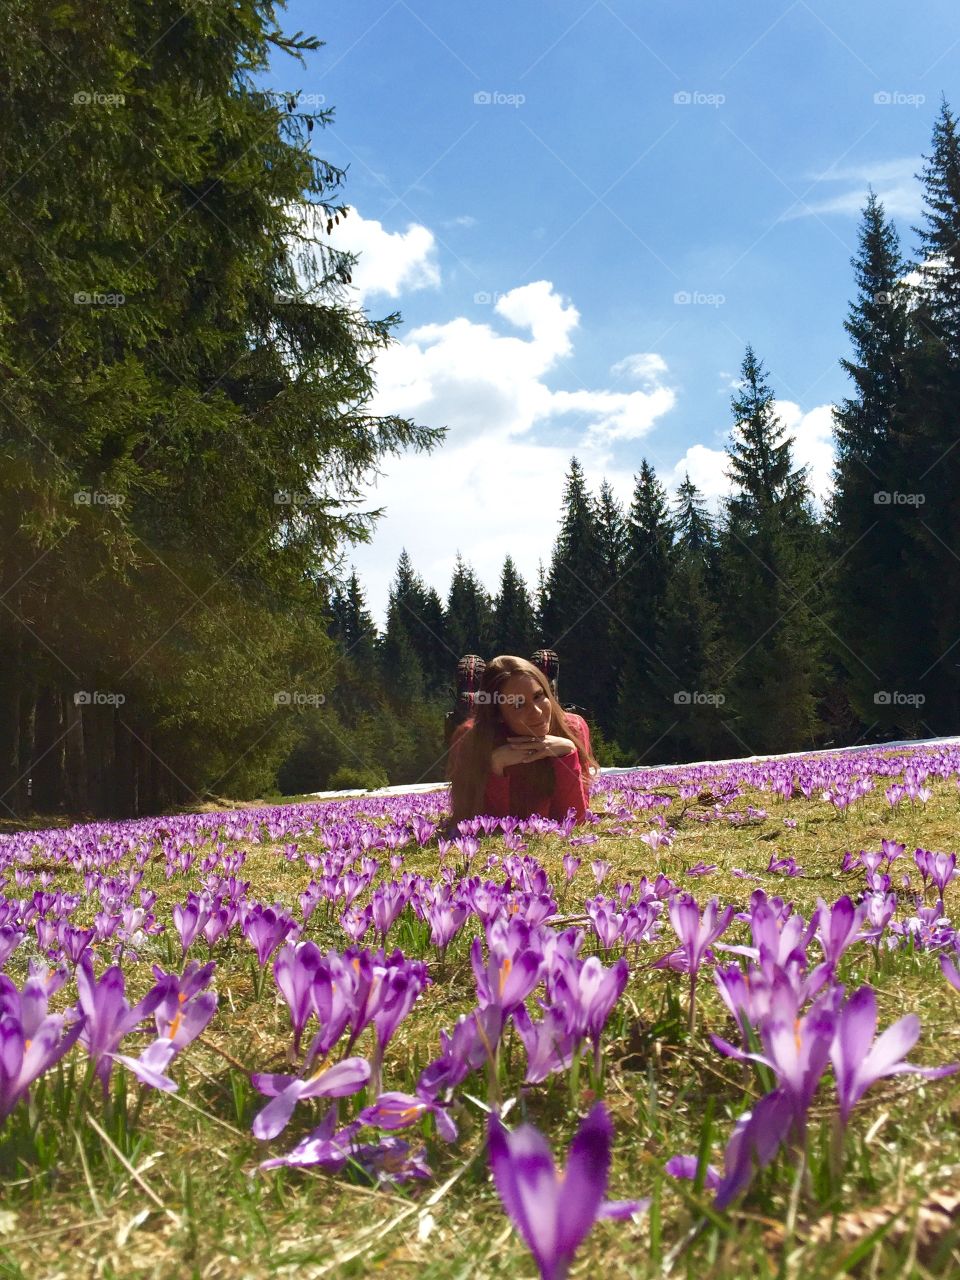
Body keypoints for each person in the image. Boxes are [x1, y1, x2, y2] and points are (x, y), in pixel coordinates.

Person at [446, 654, 599, 830]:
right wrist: (495, 766)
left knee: (557, 718)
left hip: (558, 724)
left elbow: (576, 820)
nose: (537, 712)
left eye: (539, 696)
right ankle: (470, 704)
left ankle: (477, 699)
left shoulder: (572, 728)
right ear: (498, 715)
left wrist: (568, 753)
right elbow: (474, 823)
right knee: (464, 719)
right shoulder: (469, 739)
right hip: (484, 731)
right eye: (519, 704)